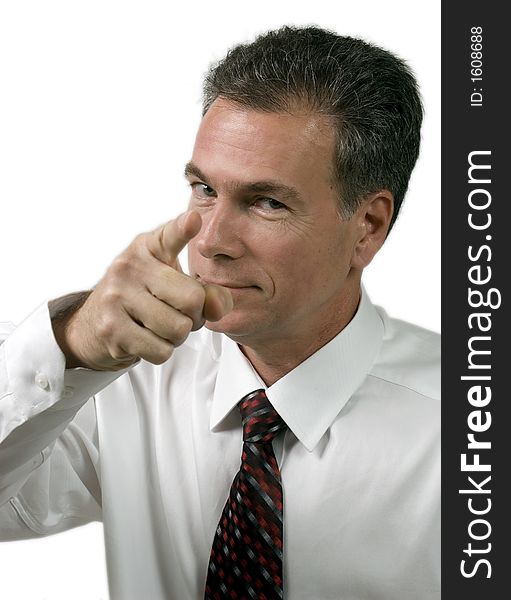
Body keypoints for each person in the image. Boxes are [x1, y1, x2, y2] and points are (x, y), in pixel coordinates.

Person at [0, 25, 440, 599]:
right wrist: (71, 341)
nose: (210, 242)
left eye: (267, 202)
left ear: (368, 226)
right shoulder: (122, 385)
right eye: (203, 189)